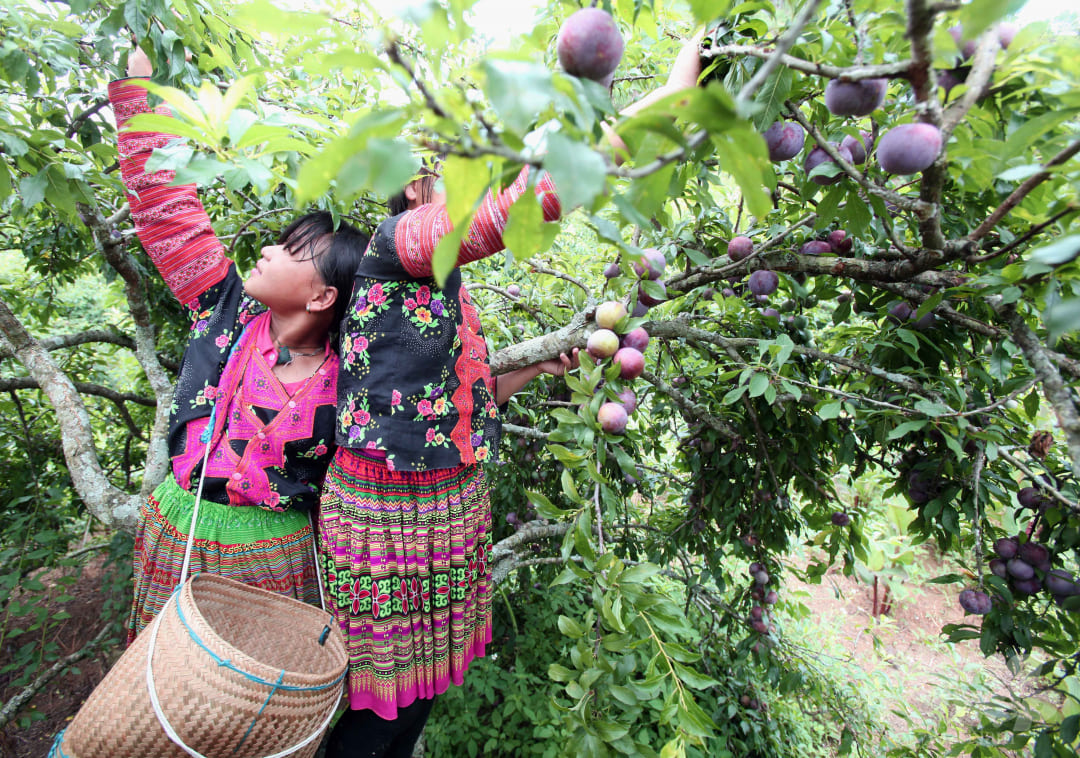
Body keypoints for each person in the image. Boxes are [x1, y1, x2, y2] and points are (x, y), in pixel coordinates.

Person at [318, 33, 702, 757]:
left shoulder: (447, 294)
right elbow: (521, 203)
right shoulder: (394, 242)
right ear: (415, 187)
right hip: (387, 516)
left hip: (447, 510)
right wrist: (671, 103)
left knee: (420, 698)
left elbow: (461, 395)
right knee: (380, 711)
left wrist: (540, 366)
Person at [109, 47, 369, 643]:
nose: (271, 251)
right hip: (181, 529)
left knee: (246, 704)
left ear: (323, 297)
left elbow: (439, 393)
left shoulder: (351, 378)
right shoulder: (222, 308)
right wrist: (135, 97)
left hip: (275, 557)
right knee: (169, 680)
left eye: (293, 251)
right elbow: (168, 213)